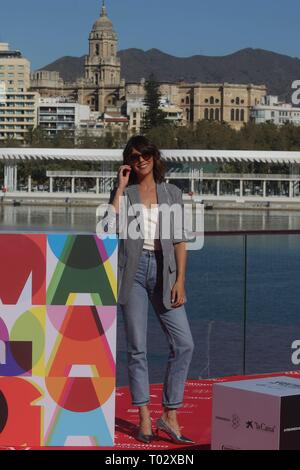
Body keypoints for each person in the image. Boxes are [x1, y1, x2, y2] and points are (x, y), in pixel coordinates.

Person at [103, 135, 195, 444]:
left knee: (184, 344)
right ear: (128, 161)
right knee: (137, 347)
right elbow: (106, 228)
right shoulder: (125, 194)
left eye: (145, 154)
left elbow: (181, 240)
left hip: (165, 272)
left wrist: (180, 280)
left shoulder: (171, 193)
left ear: (154, 157)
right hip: (133, 272)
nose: (140, 160)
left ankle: (169, 413)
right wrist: (118, 187)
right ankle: (143, 415)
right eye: (133, 156)